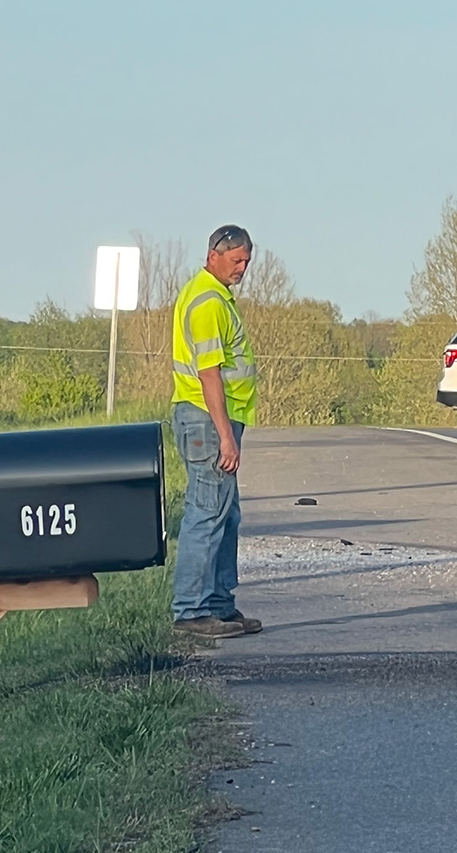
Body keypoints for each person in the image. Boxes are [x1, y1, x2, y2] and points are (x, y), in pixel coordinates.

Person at [170, 225, 261, 638]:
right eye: (236, 260)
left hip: (214, 419)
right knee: (206, 513)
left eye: (246, 261)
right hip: (207, 420)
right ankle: (191, 610)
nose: (242, 268)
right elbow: (209, 375)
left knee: (226, 513)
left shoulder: (217, 296)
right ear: (213, 255)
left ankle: (220, 603)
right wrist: (225, 435)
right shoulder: (208, 302)